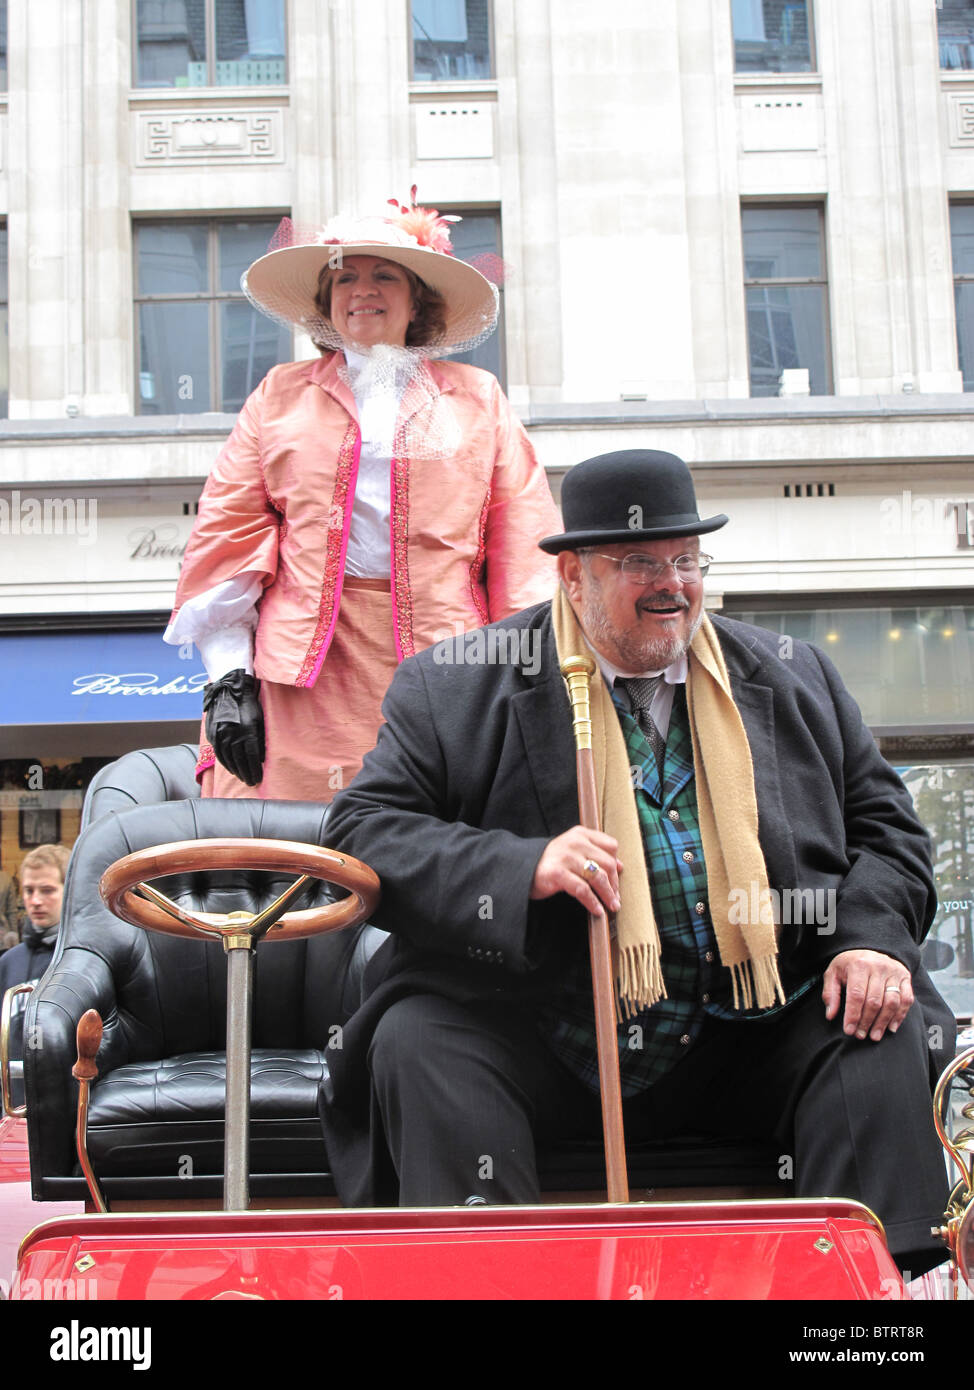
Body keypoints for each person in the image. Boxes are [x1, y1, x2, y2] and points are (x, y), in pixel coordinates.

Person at [318, 448, 955, 1279]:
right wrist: (521, 865)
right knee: (419, 1041)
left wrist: (868, 939)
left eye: (686, 560)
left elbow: (891, 833)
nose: (673, 585)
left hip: (747, 1035)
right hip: (540, 1038)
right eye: (640, 564)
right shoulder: (452, 688)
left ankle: (850, 1304)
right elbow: (359, 832)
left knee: (872, 1028)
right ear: (574, 575)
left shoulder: (793, 676)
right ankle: (484, 1290)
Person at [165, 194, 560, 800]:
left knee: (427, 852)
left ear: (418, 296)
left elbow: (522, 547)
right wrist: (228, 679)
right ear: (327, 300)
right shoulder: (279, 394)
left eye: (383, 274)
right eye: (344, 276)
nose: (361, 289)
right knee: (287, 857)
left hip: (447, 670)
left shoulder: (478, 398)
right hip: (299, 676)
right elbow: (228, 537)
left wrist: (528, 685)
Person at [0, 844, 69, 1110]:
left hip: (67, 1108)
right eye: (29, 891)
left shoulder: (84, 960)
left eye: (48, 890)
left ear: (68, 891)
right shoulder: (8, 963)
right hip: (13, 1108)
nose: (36, 900)